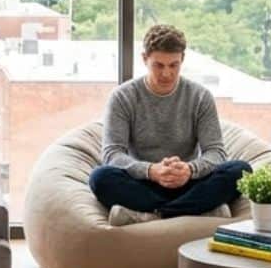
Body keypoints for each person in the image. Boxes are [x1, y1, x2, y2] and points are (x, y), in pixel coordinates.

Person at [87, 24, 253, 226]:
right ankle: (196, 210)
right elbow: (112, 154)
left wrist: (189, 170)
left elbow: (216, 152)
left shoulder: (200, 96)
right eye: (158, 65)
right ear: (145, 59)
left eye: (174, 65)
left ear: (182, 59)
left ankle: (156, 214)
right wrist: (152, 171)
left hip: (189, 182)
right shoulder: (122, 97)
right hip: (143, 183)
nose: (166, 74)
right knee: (100, 177)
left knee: (241, 170)